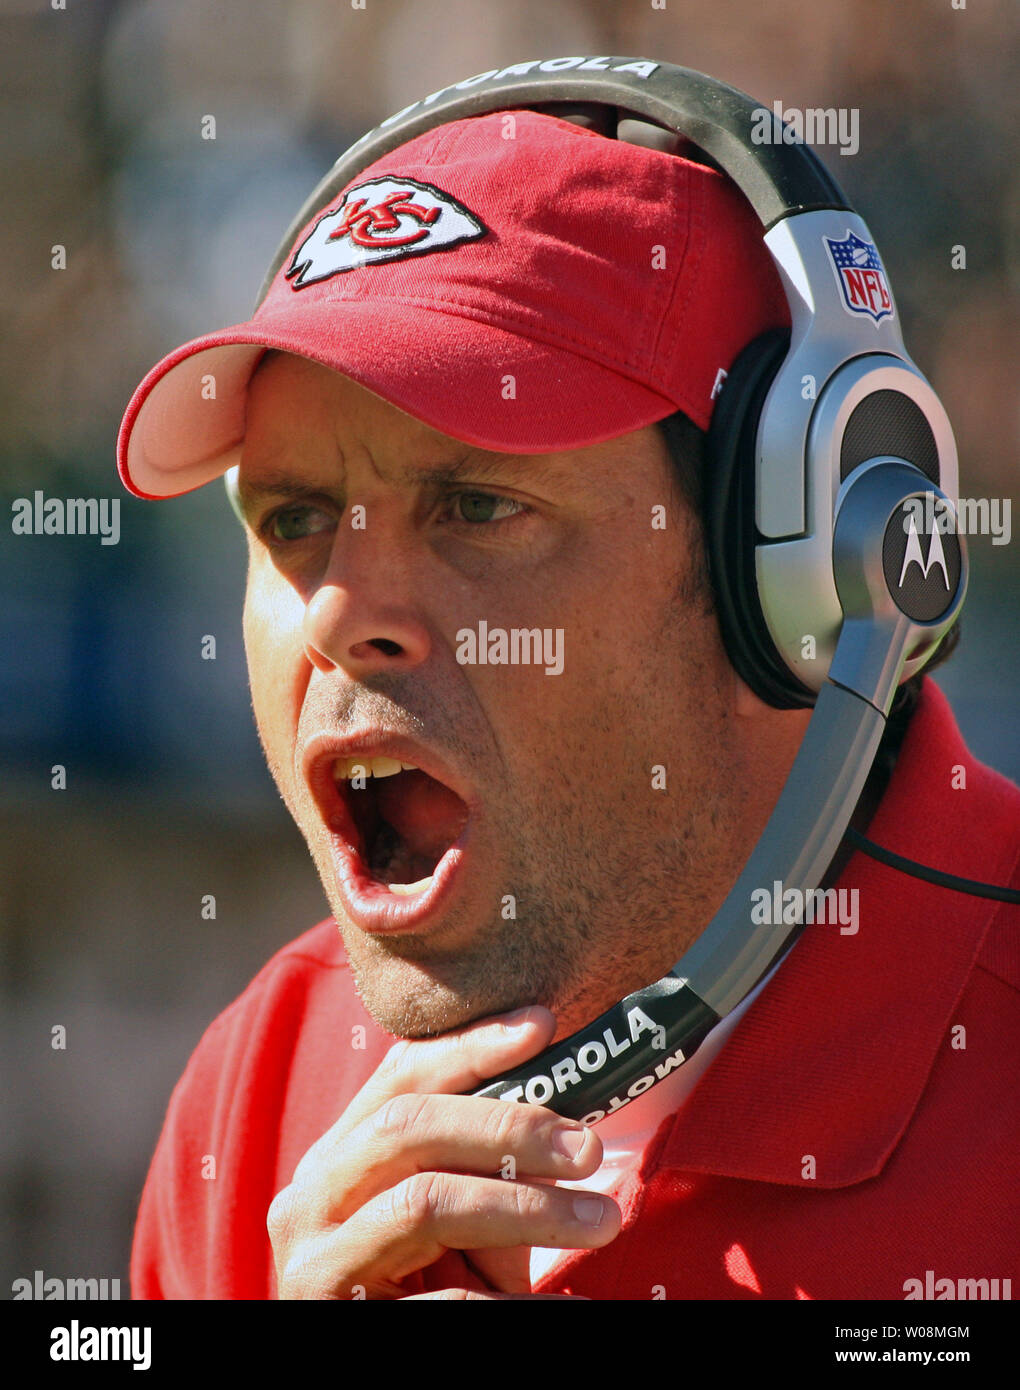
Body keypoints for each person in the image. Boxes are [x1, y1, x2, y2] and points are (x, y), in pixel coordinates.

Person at [117, 99, 1018, 1301]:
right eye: (295, 520)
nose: (339, 613)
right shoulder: (260, 1082)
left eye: (477, 507)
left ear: (795, 581)